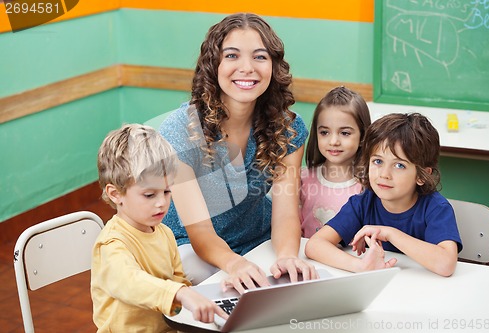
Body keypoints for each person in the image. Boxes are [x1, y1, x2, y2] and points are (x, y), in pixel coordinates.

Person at [158, 13, 317, 291]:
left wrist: (287, 257)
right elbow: (200, 232)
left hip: (258, 239)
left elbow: (285, 213)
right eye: (232, 56)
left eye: (260, 57)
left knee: (290, 284)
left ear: (273, 67)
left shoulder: (289, 129)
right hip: (191, 248)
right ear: (213, 65)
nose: (247, 68)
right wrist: (235, 264)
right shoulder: (180, 130)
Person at [91, 124, 227, 332]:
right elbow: (130, 283)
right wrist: (181, 293)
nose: (162, 203)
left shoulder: (164, 233)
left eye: (167, 191)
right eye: (149, 195)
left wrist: (200, 298)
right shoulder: (111, 244)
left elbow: (178, 281)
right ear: (115, 194)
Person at [305, 113, 463, 277]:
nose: (384, 174)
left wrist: (390, 233)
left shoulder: (436, 208)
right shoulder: (363, 203)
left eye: (399, 165)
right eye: (378, 161)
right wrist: (361, 266)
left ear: (422, 175)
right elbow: (315, 245)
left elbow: (446, 264)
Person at [300, 86, 371, 238]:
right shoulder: (302, 179)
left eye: (345, 133)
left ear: (363, 136)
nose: (333, 141)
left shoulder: (369, 185)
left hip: (348, 260)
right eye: (324, 132)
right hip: (307, 258)